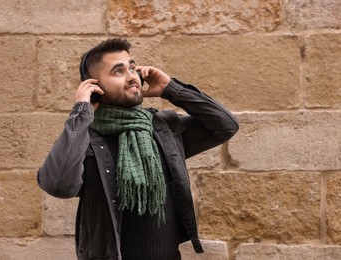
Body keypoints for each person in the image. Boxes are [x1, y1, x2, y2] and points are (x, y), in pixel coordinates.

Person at [37, 38, 239, 260]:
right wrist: (80, 113)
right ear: (95, 87)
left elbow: (225, 126)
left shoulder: (163, 129)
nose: (132, 76)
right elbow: (58, 185)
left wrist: (171, 89)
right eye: (118, 71)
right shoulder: (85, 138)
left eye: (132, 68)